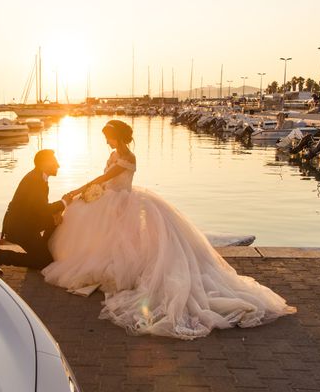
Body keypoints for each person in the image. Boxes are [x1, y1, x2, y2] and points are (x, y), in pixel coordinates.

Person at [42, 119, 296, 339]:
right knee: (110, 237)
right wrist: (91, 193)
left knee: (122, 240)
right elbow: (104, 180)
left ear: (116, 136)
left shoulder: (127, 157)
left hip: (123, 201)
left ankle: (125, 274)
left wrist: (80, 189)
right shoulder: (112, 155)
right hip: (110, 200)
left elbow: (104, 179)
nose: (105, 141)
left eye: (107, 136)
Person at [0, 149, 72, 275]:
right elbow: (42, 209)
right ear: (44, 164)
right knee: (44, 262)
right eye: (54, 162)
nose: (58, 165)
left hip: (27, 223)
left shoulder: (38, 177)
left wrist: (56, 212)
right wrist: (63, 203)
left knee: (53, 221)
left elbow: (38, 207)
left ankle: (40, 249)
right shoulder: (36, 181)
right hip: (21, 228)